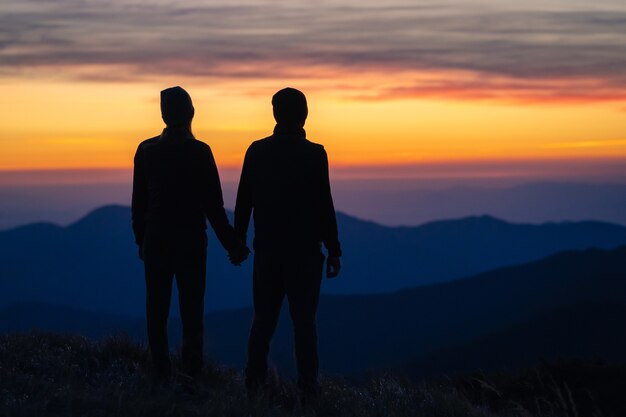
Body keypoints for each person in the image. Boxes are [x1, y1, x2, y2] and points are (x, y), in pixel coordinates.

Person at [131, 86, 249, 380]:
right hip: (190, 241)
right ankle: (192, 376)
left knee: (156, 308)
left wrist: (141, 240)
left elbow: (139, 203)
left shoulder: (146, 150)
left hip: (156, 238)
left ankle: (161, 372)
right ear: (191, 112)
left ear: (163, 113)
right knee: (191, 310)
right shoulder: (200, 152)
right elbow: (214, 206)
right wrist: (233, 245)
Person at [234, 87, 342, 404]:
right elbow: (325, 205)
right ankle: (308, 389)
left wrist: (238, 242)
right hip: (305, 254)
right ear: (304, 114)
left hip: (267, 252)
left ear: (275, 113)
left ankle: (253, 386)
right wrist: (334, 249)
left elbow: (244, 202)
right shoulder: (314, 154)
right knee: (304, 324)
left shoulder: (256, 151)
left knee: (262, 322)